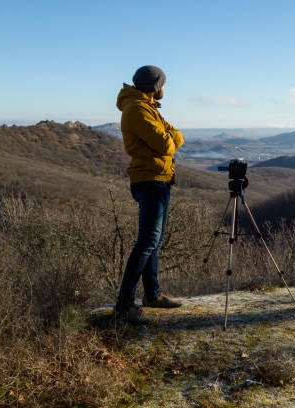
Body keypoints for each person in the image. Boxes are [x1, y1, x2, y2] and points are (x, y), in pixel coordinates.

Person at [114, 65, 185, 324]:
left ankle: (152, 295)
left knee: (153, 242)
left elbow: (174, 134)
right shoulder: (137, 110)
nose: (165, 88)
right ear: (155, 86)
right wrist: (172, 138)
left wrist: (172, 137)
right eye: (163, 84)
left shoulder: (147, 108)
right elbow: (168, 143)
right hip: (150, 181)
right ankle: (124, 304)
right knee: (146, 242)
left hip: (160, 180)